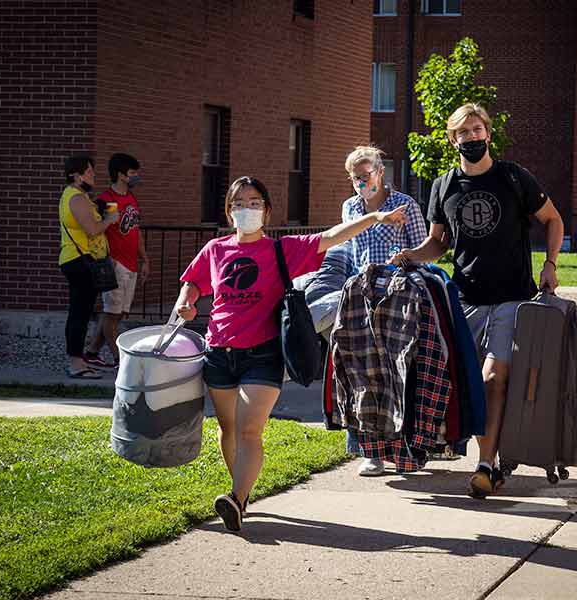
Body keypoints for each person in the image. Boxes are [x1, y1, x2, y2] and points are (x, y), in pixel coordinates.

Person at [174, 175, 407, 532]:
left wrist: (374, 218)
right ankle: (243, 491)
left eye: (254, 203)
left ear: (266, 211)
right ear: (228, 211)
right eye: (239, 203)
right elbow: (193, 283)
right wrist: (186, 303)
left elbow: (332, 236)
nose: (246, 210)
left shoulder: (282, 250)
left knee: (250, 430)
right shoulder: (216, 249)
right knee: (229, 429)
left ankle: (235, 498)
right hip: (218, 351)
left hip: (263, 354)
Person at [391, 103, 565, 498]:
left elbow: (553, 219)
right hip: (464, 298)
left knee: (493, 378)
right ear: (453, 139)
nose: (471, 137)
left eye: (477, 129)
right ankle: (479, 451)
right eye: (463, 132)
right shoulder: (443, 185)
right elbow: (439, 242)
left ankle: (486, 467)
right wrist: (409, 256)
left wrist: (550, 264)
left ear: (488, 133)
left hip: (512, 298)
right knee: (457, 379)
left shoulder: (512, 177)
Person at [340, 145, 428, 477]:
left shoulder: (406, 205)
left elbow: (426, 253)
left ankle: (405, 449)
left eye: (366, 175)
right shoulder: (350, 208)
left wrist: (405, 256)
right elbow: (349, 253)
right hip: (360, 297)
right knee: (363, 373)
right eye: (355, 177)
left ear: (381, 171)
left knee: (398, 374)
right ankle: (370, 452)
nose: (361, 182)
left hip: (398, 297)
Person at [84, 153, 150, 368]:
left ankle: (92, 351)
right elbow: (95, 232)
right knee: (111, 312)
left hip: (131, 262)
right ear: (121, 175)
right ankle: (120, 359)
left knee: (118, 313)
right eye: (132, 173)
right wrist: (105, 258)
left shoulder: (131, 199)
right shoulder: (106, 200)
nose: (136, 177)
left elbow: (135, 231)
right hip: (114, 263)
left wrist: (145, 259)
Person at [58, 155, 119, 379]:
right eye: (90, 172)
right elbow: (93, 230)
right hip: (79, 261)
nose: (93, 175)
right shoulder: (75, 198)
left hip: (83, 261)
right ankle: (76, 364)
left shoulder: (81, 197)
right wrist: (110, 220)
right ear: (77, 175)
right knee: (79, 313)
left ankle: (79, 361)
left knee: (82, 312)